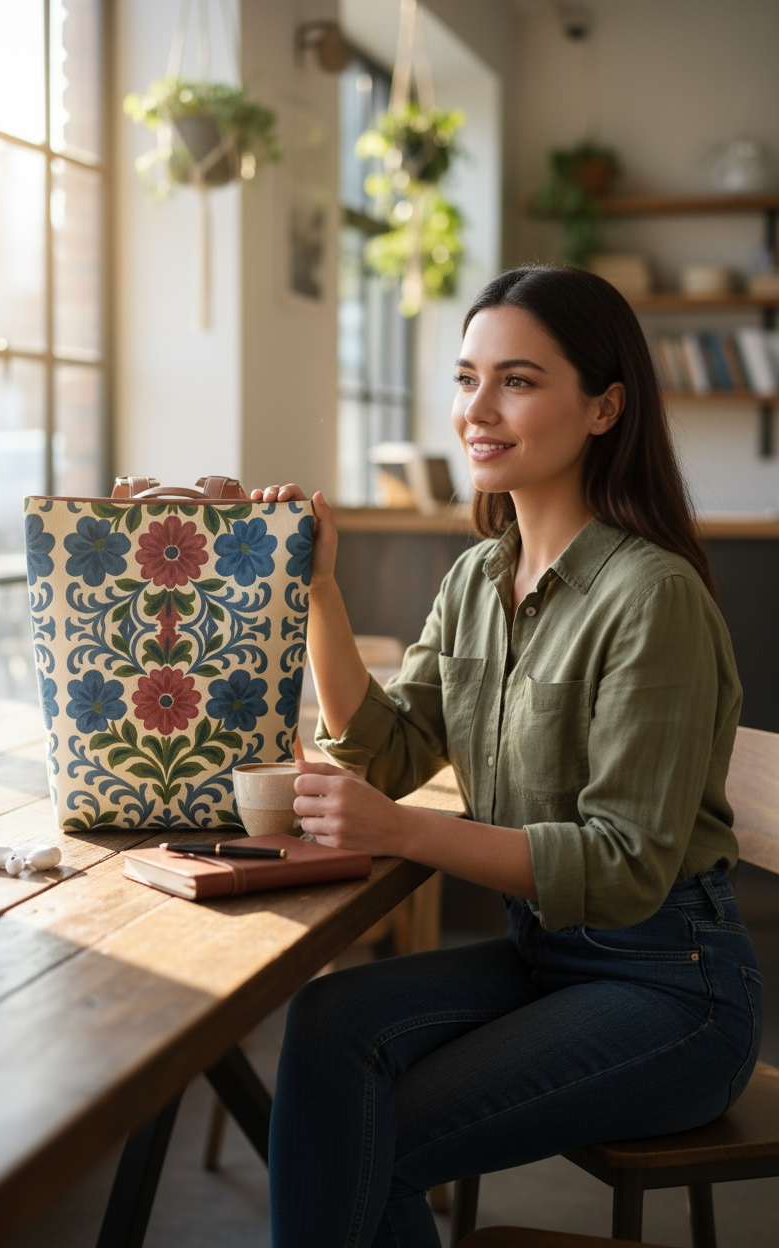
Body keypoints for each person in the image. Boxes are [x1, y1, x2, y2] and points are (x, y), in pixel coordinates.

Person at [253, 265, 763, 1248]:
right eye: (464, 378)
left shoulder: (649, 598)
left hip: (670, 988)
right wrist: (320, 588)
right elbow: (386, 753)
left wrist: (404, 831)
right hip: (547, 957)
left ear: (605, 406)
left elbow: (621, 865)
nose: (475, 409)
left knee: (366, 1133)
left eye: (517, 381)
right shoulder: (478, 578)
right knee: (328, 1025)